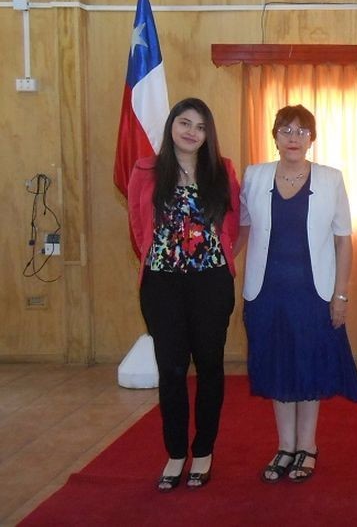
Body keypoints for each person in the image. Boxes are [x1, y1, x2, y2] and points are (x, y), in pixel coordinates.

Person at [240, 104, 357, 484]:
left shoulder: (330, 179)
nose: (294, 137)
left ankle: (307, 446)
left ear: (313, 139)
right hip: (266, 291)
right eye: (286, 130)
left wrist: (340, 295)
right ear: (274, 136)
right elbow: (242, 229)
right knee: (278, 366)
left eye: (302, 131)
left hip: (313, 291)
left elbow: (344, 240)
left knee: (308, 368)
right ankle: (285, 446)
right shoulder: (254, 175)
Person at [127, 97, 241, 492]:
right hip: (162, 286)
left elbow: (234, 225)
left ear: (208, 134)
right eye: (185, 123)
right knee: (172, 370)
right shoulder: (145, 170)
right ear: (172, 126)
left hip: (210, 283)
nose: (192, 132)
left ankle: (204, 451)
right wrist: (163, 260)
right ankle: (176, 454)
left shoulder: (222, 171)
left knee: (209, 366)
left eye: (200, 126)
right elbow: (138, 230)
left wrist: (215, 260)